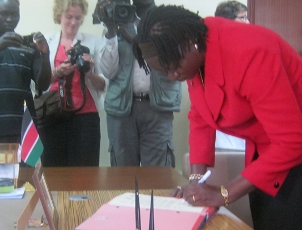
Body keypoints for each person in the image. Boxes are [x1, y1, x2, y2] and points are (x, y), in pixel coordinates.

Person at [133, 5, 302, 229]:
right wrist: (195, 183)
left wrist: (224, 193)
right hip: (268, 149)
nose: (173, 77)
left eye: (174, 68)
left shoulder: (250, 51)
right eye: (165, 72)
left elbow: (292, 140)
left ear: (190, 42)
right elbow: (201, 119)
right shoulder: (196, 49)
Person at [98, 0, 181, 167]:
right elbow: (108, 72)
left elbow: (175, 63)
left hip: (158, 107)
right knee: (123, 175)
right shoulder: (118, 18)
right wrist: (111, 32)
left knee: (158, 175)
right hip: (122, 108)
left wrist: (137, 39)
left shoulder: (169, 20)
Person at [38, 0, 108, 167]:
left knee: (86, 171)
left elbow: (104, 85)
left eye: (78, 18)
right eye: (69, 17)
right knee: (53, 170)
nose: (73, 22)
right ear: (59, 16)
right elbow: (38, 84)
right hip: (52, 113)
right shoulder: (46, 41)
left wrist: (89, 72)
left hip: (85, 116)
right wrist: (56, 72)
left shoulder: (94, 42)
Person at [0, 0, 51, 145]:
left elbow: (42, 85)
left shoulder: (27, 46)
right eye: (4, 14)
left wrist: (45, 56)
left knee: (25, 168)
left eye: (14, 14)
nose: (10, 19)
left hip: (24, 129)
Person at [214, 0, 249, 150]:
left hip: (249, 129)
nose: (248, 23)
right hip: (226, 134)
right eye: (243, 17)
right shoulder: (215, 50)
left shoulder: (250, 46)